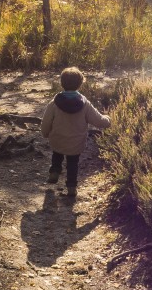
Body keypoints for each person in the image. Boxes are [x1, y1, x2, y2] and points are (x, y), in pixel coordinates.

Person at [40, 67, 110, 197]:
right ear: (80, 83)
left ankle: (54, 171)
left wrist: (45, 133)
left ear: (62, 83)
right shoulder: (84, 103)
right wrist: (108, 120)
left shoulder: (54, 103)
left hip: (58, 139)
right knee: (73, 164)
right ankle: (71, 187)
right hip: (76, 142)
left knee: (57, 154)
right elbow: (98, 120)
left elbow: (46, 121)